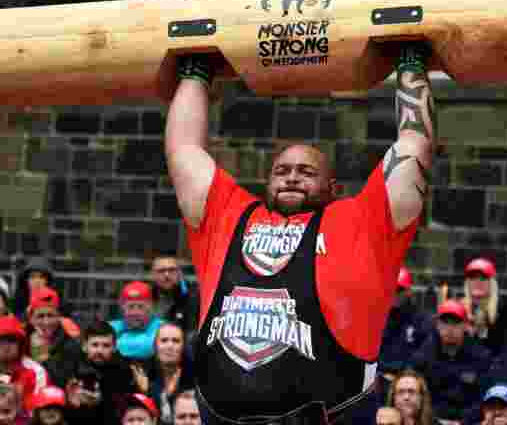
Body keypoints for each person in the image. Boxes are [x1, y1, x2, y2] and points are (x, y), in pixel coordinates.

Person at [165, 43, 437, 423]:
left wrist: (410, 62)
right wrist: (195, 71)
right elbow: (184, 151)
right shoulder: (230, 214)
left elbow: (413, 147)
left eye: (306, 172)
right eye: (281, 171)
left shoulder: (361, 220)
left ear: (333, 188)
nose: (292, 177)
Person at [412, 300, 494, 424]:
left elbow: (485, 397)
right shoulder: (423, 355)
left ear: (465, 325)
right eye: (445, 322)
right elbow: (418, 394)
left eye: (455, 323)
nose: (450, 328)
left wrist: (463, 422)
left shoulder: (481, 356)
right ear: (437, 325)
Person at [380, 268, 435, 388]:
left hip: (411, 379)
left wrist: (402, 374)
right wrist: (382, 374)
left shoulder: (422, 319)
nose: (395, 293)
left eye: (399, 290)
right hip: (380, 378)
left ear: (409, 291)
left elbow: (424, 353)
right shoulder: (377, 318)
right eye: (391, 289)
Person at [454, 258, 507, 357]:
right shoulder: (457, 309)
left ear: (492, 282)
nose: (478, 281)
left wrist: (483, 328)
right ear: (467, 283)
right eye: (473, 277)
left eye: (483, 278)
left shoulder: (504, 310)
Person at [136, 323, 195, 425]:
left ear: (183, 347)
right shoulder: (143, 374)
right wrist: (145, 394)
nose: (170, 346)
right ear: (155, 346)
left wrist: (172, 396)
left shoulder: (195, 375)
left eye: (176, 341)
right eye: (164, 340)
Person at [0, 315, 49, 413]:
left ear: (20, 344)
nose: (6, 346)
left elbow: (36, 412)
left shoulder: (37, 372)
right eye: (0, 340)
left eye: (11, 341)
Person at [25, 288, 82, 369]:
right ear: (31, 318)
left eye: (50, 315)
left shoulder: (70, 346)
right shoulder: (20, 343)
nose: (46, 322)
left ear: (59, 316)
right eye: (40, 316)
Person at [109, 282, 162, 365]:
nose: (135, 312)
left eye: (141, 307)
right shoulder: (110, 327)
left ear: (150, 307)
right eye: (130, 307)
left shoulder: (162, 328)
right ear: (122, 307)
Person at [149, 256, 200, 338]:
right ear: (153, 274)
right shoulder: (147, 297)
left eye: (171, 270)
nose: (166, 275)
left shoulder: (195, 296)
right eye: (161, 271)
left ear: (180, 273)